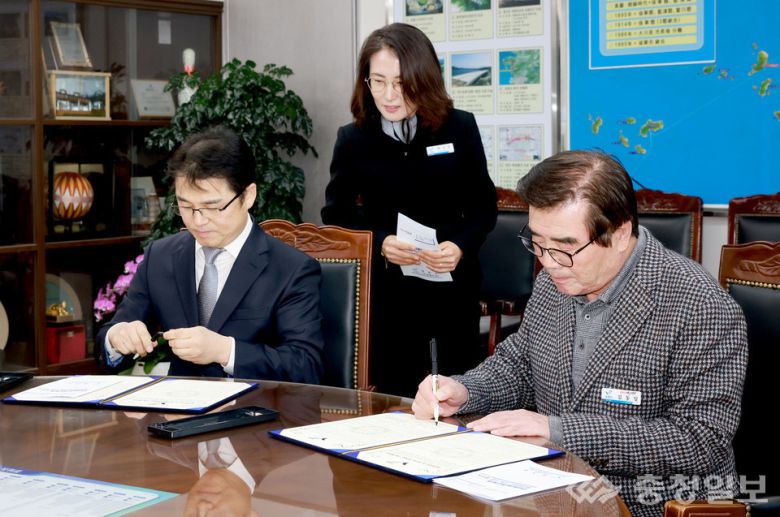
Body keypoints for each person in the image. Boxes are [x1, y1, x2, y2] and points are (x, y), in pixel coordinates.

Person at [412, 150, 748, 516]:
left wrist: (558, 431)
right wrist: (465, 391)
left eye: (566, 247)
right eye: (537, 242)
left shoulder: (700, 305)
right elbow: (520, 366)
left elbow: (699, 441)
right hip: (554, 493)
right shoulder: (554, 284)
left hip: (654, 504)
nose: (548, 262)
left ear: (620, 232)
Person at [321, 23, 497, 397]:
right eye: (378, 82)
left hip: (451, 289)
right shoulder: (353, 139)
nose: (389, 95)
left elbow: (484, 208)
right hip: (388, 295)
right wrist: (381, 242)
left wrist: (459, 247)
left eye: (401, 83)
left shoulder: (459, 127)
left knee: (455, 395)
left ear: (424, 79)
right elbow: (336, 215)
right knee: (394, 397)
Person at [97, 127, 324, 383]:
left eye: (213, 207)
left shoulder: (291, 269)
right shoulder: (160, 257)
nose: (198, 221)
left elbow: (305, 366)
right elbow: (110, 338)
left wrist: (225, 351)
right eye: (185, 206)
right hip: (176, 406)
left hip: (255, 405)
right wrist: (117, 337)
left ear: (248, 196)